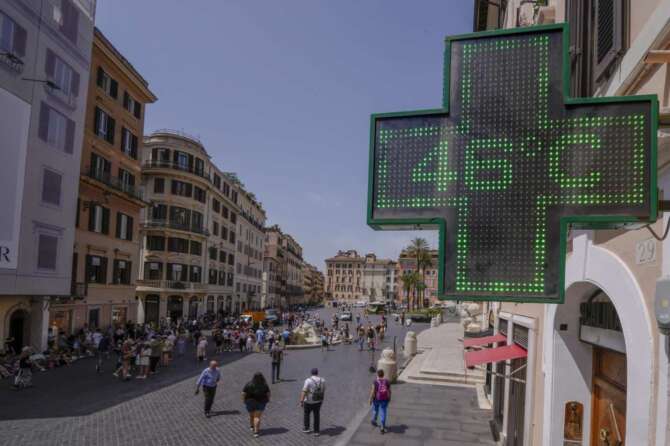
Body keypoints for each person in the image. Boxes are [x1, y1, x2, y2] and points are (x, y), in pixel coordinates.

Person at [242, 372, 271, 438]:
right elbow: (268, 393)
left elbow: (243, 393)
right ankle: (256, 432)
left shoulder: (249, 384)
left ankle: (252, 426)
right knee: (257, 417)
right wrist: (268, 400)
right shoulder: (264, 385)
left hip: (249, 402)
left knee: (251, 415)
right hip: (261, 402)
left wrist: (243, 400)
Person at [300, 367, 325, 437]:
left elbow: (304, 391)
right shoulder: (322, 380)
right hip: (318, 401)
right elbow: (323, 390)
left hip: (309, 401)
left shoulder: (308, 380)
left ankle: (307, 428)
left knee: (306, 414)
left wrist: (301, 400)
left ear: (311, 373)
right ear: (317, 373)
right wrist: (322, 399)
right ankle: (316, 431)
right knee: (316, 415)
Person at [369, 369, 392, 434]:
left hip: (376, 399)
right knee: (383, 411)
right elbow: (389, 391)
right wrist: (389, 398)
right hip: (384, 399)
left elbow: (373, 391)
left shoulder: (375, 382)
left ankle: (374, 420)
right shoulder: (387, 381)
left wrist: (370, 399)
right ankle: (382, 426)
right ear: (383, 374)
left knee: (375, 409)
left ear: (377, 374)